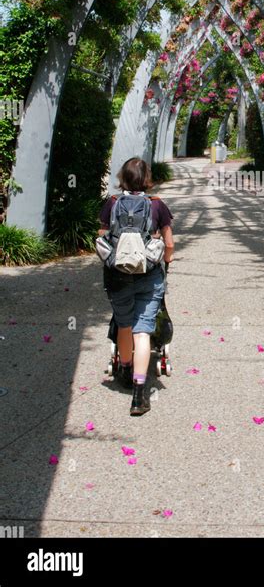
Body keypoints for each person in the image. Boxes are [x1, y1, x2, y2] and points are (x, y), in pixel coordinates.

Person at [98, 158, 174, 416]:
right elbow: (169, 243)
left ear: (123, 178)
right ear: (147, 179)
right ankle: (139, 396)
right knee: (143, 330)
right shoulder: (157, 205)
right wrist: (165, 260)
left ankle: (126, 369)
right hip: (148, 275)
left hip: (118, 276)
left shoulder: (111, 203)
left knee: (124, 323)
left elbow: (101, 238)